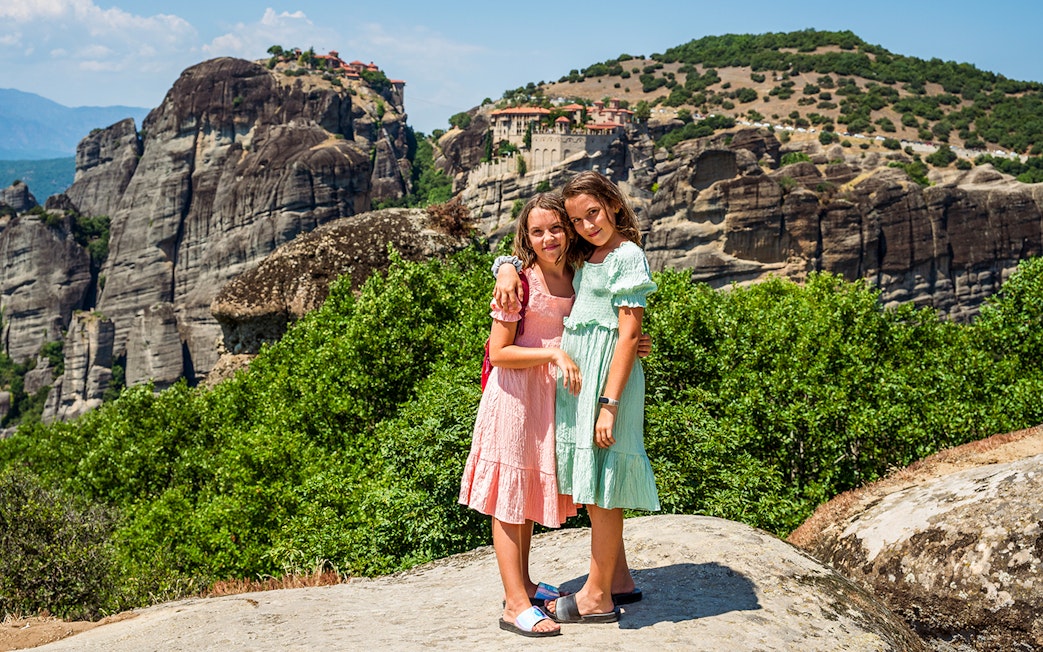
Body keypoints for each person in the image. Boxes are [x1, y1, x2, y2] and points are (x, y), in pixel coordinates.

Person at [493, 171, 658, 624]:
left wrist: (610, 402)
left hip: (605, 387)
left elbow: (626, 333)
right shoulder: (588, 256)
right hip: (577, 384)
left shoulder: (625, 254)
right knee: (596, 479)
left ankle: (597, 596)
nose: (586, 226)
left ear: (614, 206)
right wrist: (505, 265)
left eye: (592, 214)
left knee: (604, 484)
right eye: (577, 220)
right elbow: (531, 254)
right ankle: (618, 578)